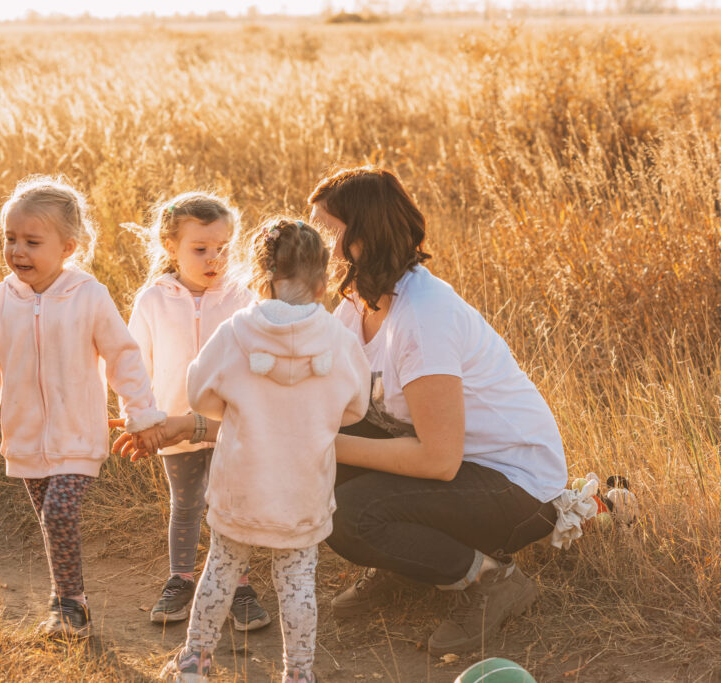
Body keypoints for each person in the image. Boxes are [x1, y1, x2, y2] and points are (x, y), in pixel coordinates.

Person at [308, 166, 567, 656]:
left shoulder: (423, 314)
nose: (314, 241)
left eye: (326, 230)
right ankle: (406, 564)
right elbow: (325, 398)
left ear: (364, 235)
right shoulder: (355, 304)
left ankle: (493, 582)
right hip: (459, 469)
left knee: (348, 514)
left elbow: (439, 460)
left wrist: (322, 445)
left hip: (515, 486)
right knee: (321, 463)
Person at [157, 219, 371, 683]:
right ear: (323, 279)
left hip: (241, 485)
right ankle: (298, 674)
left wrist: (236, 406)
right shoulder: (338, 339)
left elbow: (199, 394)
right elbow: (356, 408)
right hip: (304, 490)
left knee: (221, 570)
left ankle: (194, 663)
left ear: (261, 276)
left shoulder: (237, 332)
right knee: (297, 585)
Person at [0, 175, 166, 638]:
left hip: (77, 434)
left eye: (32, 241)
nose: (17, 251)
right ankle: (68, 600)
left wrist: (141, 413)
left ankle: (69, 605)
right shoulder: (0, 299)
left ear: (68, 247)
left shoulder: (88, 295)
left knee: (59, 514)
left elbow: (122, 356)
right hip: (25, 436)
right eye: (9, 239)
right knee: (51, 523)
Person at [119, 192, 270, 629]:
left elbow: (256, 357)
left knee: (230, 504)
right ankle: (181, 579)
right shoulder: (153, 300)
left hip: (229, 425)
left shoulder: (243, 297)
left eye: (223, 248)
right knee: (185, 504)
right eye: (200, 249)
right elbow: (134, 364)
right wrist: (140, 418)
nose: (213, 259)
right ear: (171, 247)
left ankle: (238, 584)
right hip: (171, 426)